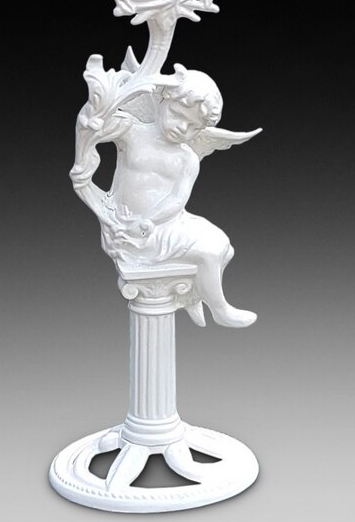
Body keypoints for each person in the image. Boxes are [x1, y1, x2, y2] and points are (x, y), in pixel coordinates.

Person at [85, 67, 259, 328]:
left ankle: (191, 294)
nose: (182, 128)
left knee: (225, 247)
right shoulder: (132, 132)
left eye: (194, 126)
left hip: (161, 222)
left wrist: (151, 220)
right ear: (162, 99)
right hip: (129, 228)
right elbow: (93, 125)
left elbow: (177, 200)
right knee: (212, 251)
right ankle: (218, 308)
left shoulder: (187, 158)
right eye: (178, 115)